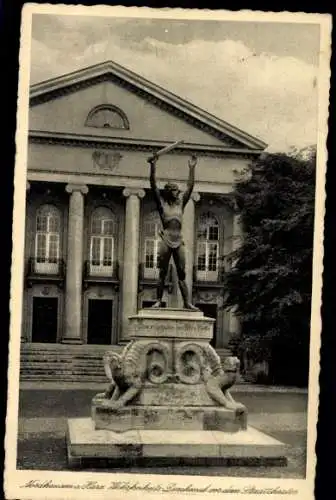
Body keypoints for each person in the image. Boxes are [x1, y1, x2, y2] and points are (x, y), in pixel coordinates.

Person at [148, 153, 199, 310]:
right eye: (175, 190)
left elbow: (190, 187)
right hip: (166, 239)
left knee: (182, 272)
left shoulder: (180, 204)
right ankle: (158, 300)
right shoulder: (162, 204)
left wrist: (191, 168)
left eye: (178, 190)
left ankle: (186, 302)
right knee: (163, 271)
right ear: (169, 191)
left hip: (178, 240)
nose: (178, 192)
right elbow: (153, 185)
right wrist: (153, 166)